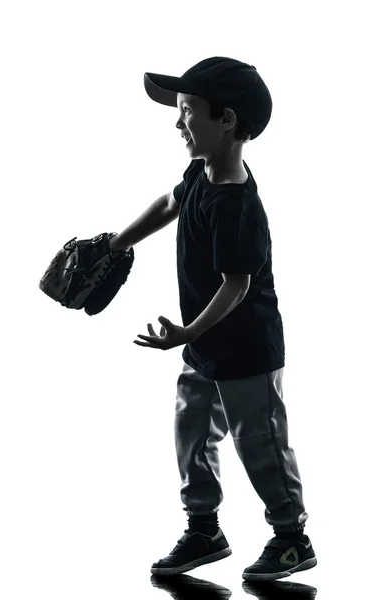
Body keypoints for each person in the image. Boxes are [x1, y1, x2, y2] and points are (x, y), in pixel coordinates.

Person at [108, 57, 317, 582]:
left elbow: (237, 285)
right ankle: (204, 529)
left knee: (260, 442)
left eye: (187, 112)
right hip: (204, 345)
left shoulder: (235, 204)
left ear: (226, 121)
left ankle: (292, 538)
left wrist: (186, 333)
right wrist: (117, 243)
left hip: (246, 348)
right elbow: (169, 202)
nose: (178, 123)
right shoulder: (201, 172)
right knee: (192, 431)